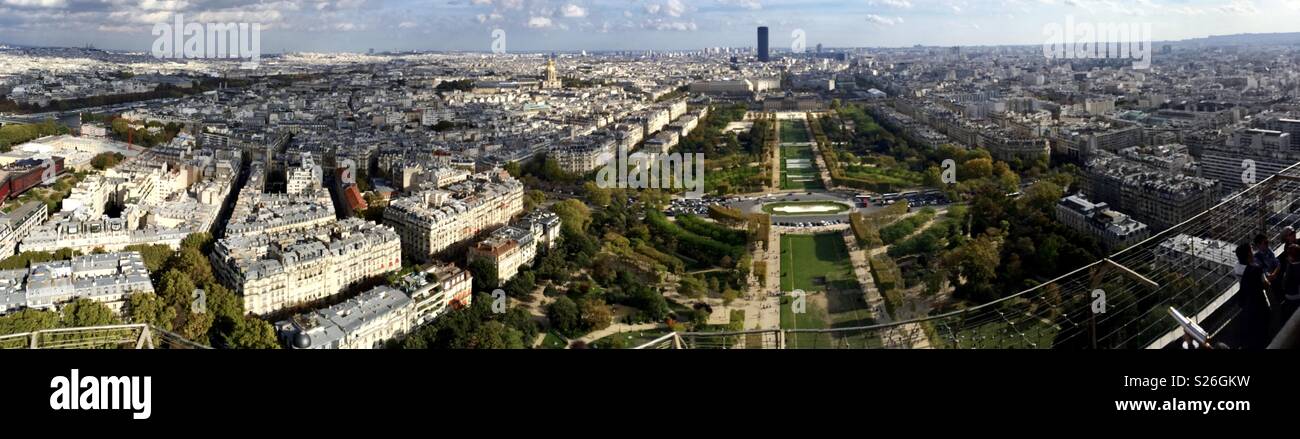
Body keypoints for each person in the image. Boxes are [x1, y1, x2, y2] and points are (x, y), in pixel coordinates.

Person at [1236, 242, 1273, 349]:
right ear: (1248, 254)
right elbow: (1266, 285)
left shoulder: (1236, 268)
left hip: (1247, 305)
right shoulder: (1256, 269)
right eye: (1251, 251)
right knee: (1264, 331)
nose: (1253, 252)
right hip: (1260, 303)